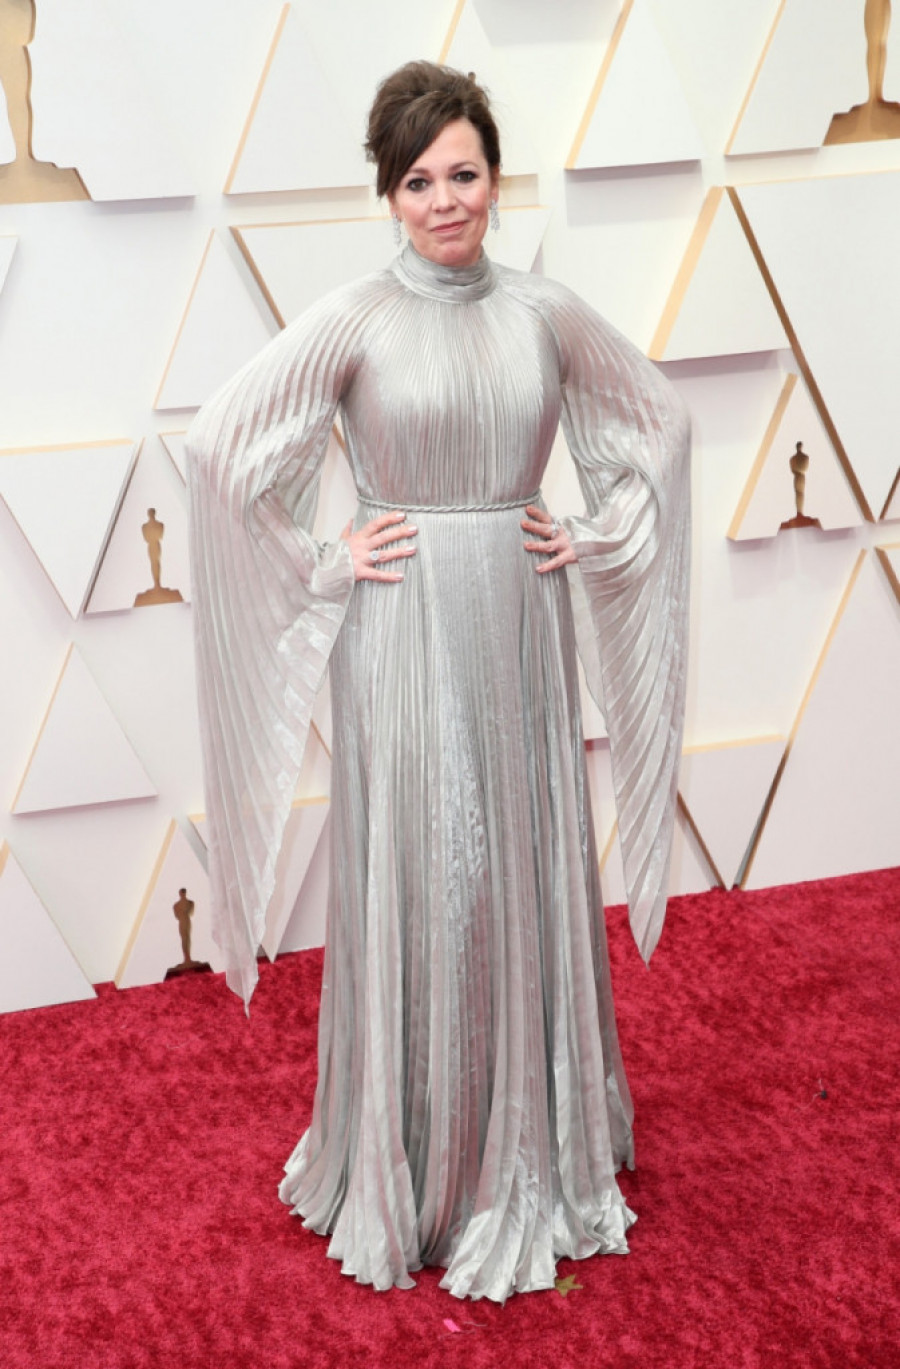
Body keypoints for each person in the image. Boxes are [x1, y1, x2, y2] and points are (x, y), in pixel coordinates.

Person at [186, 61, 690, 1303]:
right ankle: (415, 1151)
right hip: (401, 626)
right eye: (418, 181)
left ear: (496, 179)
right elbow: (220, 447)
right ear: (389, 194)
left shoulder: (545, 313)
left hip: (518, 618)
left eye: (463, 173)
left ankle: (532, 1143)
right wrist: (326, 555)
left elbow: (660, 424)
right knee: (429, 863)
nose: (444, 200)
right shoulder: (355, 319)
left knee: (512, 856)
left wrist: (593, 534)